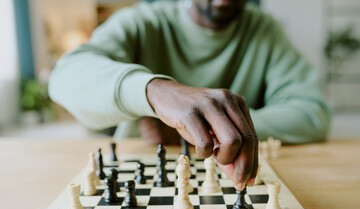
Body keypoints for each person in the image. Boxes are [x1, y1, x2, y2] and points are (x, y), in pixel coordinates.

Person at [49, 0, 331, 190]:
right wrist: (156, 91)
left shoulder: (264, 29)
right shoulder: (140, 21)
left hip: (230, 178)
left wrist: (209, 131)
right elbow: (64, 77)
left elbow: (312, 114)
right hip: (137, 177)